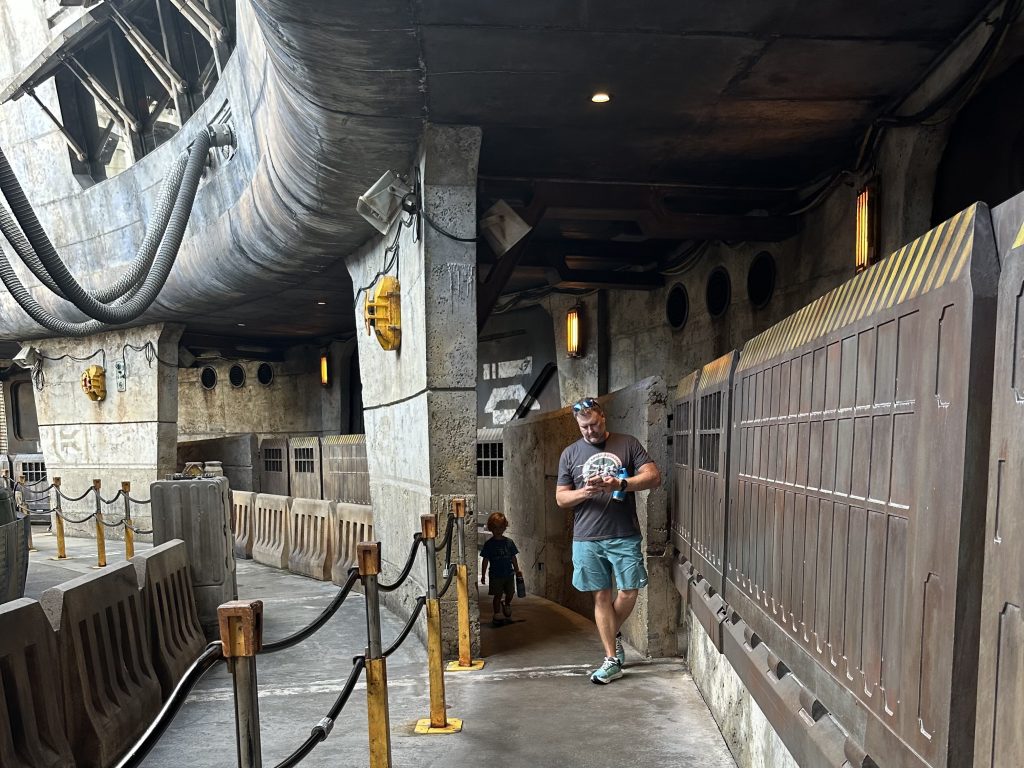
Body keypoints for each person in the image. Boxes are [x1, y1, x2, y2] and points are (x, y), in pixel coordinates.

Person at [555, 397, 662, 684]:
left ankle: (610, 633)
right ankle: (611, 659)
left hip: (623, 533)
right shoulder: (570, 454)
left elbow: (653, 477)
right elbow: (561, 498)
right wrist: (585, 493)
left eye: (593, 425)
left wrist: (621, 484)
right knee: (600, 595)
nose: (589, 432)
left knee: (629, 591)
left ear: (603, 417)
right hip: (586, 537)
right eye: (583, 427)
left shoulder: (627, 444)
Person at [480, 512, 522, 625]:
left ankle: (506, 603)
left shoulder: (509, 542)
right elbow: (485, 560)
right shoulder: (489, 544)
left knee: (511, 593)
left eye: (501, 527)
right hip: (495, 575)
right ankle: (497, 613)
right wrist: (483, 575)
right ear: (491, 528)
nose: (498, 530)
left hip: (509, 574)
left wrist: (517, 570)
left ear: (504, 527)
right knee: (497, 595)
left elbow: (513, 557)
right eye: (495, 527)